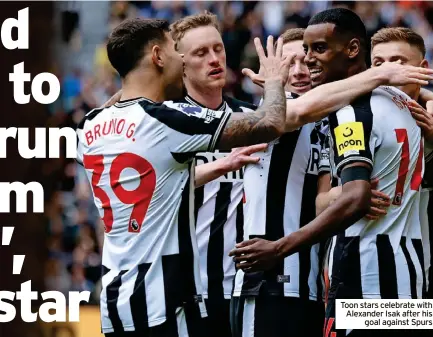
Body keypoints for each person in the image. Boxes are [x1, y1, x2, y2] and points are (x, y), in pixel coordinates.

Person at [77, 17, 433, 337]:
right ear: (158, 57)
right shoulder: (174, 120)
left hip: (127, 298)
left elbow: (338, 192)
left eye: (218, 48)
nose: (304, 65)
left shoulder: (93, 125)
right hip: (190, 297)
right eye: (186, 53)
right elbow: (278, 122)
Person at [230, 9, 429, 337]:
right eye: (306, 50)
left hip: (366, 277)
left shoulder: (351, 113)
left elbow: (356, 196)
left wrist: (279, 248)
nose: (309, 60)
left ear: (352, 49)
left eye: (319, 49)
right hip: (410, 277)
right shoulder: (405, 103)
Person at [169, 12, 262, 337]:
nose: (214, 59)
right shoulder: (166, 121)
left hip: (249, 288)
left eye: (217, 49)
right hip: (189, 291)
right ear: (180, 65)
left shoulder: (253, 119)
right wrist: (222, 165)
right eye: (200, 53)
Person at [230, 28, 327, 337]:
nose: (298, 72)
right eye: (288, 64)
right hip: (268, 287)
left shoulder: (336, 121)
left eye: (307, 63)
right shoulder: (269, 116)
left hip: (315, 289)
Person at [370, 27, 433, 299]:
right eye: (378, 64)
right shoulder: (360, 119)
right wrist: (347, 195)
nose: (387, 72)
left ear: (423, 68)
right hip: (379, 274)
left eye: (398, 62)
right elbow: (322, 198)